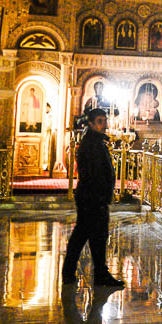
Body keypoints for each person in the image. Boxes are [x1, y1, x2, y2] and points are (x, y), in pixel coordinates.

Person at [62, 108, 124, 287]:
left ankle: (94, 273)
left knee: (91, 236)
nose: (104, 124)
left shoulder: (95, 141)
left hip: (94, 197)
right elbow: (93, 173)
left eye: (105, 120)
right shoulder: (91, 144)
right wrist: (100, 196)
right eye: (99, 121)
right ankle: (91, 274)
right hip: (92, 198)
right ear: (90, 123)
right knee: (87, 236)